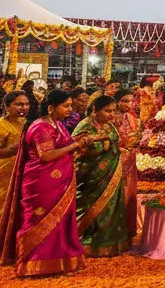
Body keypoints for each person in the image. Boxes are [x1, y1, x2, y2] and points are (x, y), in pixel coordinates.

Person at [0, 89, 96, 277]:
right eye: (66, 105)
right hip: (41, 182)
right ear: (51, 108)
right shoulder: (40, 127)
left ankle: (56, 263)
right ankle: (33, 264)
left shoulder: (57, 125)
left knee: (59, 223)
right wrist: (75, 145)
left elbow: (63, 149)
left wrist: (80, 145)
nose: (71, 108)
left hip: (60, 182)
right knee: (39, 220)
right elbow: (46, 155)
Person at [72, 95, 130, 256]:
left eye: (113, 111)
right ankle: (87, 243)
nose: (111, 114)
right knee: (89, 206)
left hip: (111, 173)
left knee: (111, 206)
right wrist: (101, 145)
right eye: (107, 111)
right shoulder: (85, 126)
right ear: (94, 110)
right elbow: (77, 148)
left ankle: (109, 242)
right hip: (90, 177)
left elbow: (114, 142)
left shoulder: (109, 125)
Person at [112, 90, 139, 238]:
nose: (129, 104)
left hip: (130, 158)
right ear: (117, 102)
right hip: (116, 158)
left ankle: (127, 230)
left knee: (130, 193)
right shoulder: (111, 118)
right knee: (117, 193)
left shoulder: (132, 118)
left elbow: (135, 137)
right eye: (124, 101)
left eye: (131, 101)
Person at [1, 92, 31, 207]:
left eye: (27, 104)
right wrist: (12, 149)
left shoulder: (23, 122)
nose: (24, 108)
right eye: (19, 104)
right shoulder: (2, 125)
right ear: (7, 107)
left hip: (20, 172)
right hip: (4, 175)